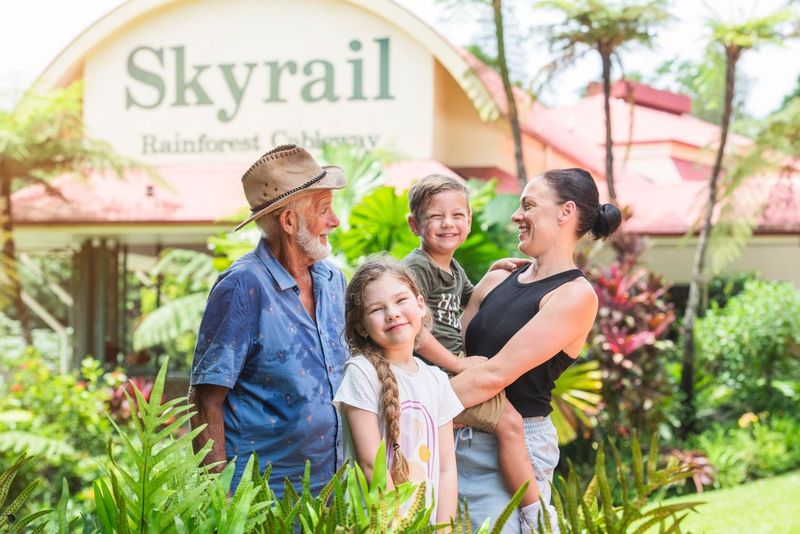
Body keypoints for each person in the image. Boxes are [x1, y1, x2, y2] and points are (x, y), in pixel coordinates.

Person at [450, 168, 622, 533]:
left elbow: (496, 373)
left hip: (511, 448)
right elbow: (455, 357)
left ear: (566, 212)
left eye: (528, 205)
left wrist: (409, 411)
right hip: (452, 434)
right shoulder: (497, 278)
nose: (516, 215)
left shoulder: (574, 295)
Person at [188, 144, 348, 494]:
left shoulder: (334, 281)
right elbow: (204, 400)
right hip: (261, 499)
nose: (334, 222)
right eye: (324, 210)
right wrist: (221, 504)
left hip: (332, 492)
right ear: (289, 222)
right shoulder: (243, 286)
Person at [401, 174, 546, 519]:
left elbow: (469, 298)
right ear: (414, 224)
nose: (448, 223)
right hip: (437, 375)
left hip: (449, 373)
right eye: (436, 216)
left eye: (458, 215)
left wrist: (493, 272)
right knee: (510, 424)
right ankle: (538, 515)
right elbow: (414, 331)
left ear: (468, 220)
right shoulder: (416, 268)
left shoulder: (450, 267)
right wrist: (455, 363)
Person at [333, 258, 463, 523]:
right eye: (377, 309)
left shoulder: (436, 380)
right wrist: (401, 527)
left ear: (420, 305)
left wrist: (442, 528)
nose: (392, 313)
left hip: (424, 525)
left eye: (401, 300)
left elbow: (447, 468)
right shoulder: (361, 372)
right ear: (361, 327)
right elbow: (371, 465)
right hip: (377, 524)